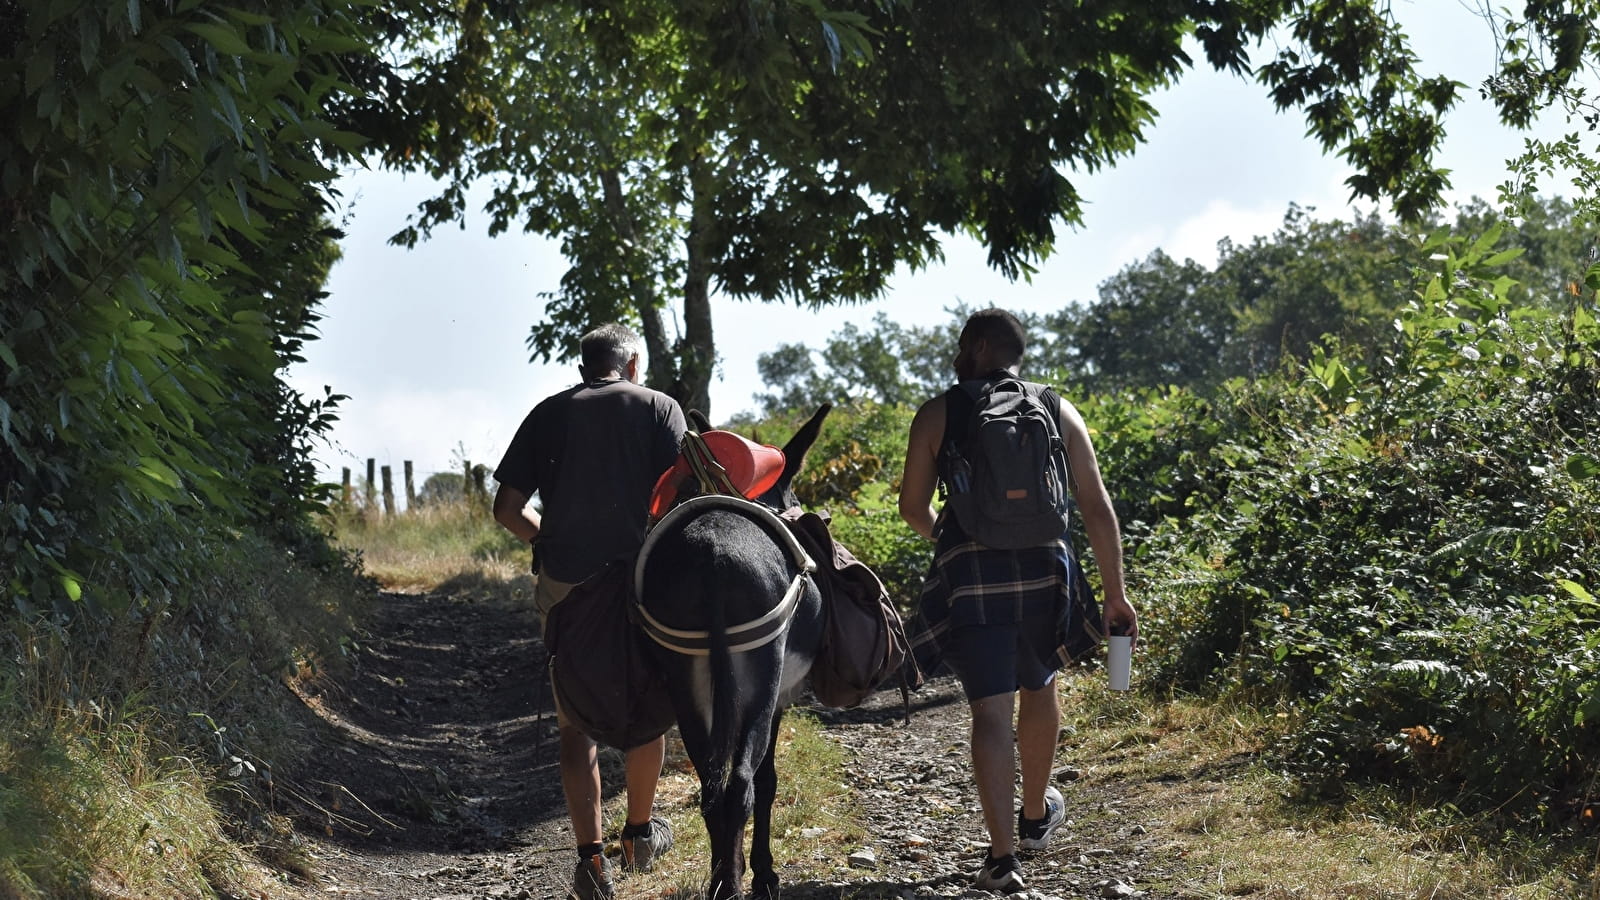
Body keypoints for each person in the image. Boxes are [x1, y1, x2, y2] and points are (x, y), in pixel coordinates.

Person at [898, 308, 1138, 894]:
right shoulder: (1055, 407)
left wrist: (957, 542)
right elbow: (1096, 506)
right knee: (1041, 685)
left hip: (972, 573)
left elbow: (911, 506)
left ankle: (1002, 859)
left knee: (987, 710)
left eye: (962, 344)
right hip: (1045, 568)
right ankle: (1035, 819)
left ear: (978, 346)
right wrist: (1115, 593)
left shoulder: (939, 413)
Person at [492, 323, 687, 900]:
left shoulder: (548, 413)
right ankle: (639, 835)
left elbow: (506, 508)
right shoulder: (659, 407)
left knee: (575, 721)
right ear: (631, 366)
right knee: (647, 704)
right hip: (640, 583)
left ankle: (589, 864)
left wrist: (547, 542)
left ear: (585, 369)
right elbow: (684, 496)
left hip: (565, 584)